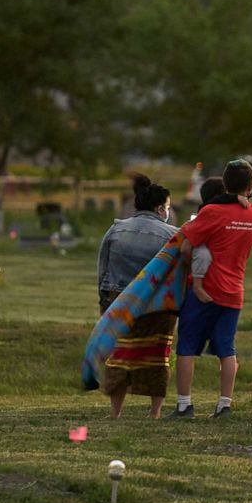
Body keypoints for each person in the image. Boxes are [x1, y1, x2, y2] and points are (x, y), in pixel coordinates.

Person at [168, 160, 252, 419]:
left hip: (204, 290)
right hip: (234, 292)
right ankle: (224, 405)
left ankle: (185, 405)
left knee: (187, 347)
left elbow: (185, 245)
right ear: (250, 186)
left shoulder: (212, 213)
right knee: (226, 349)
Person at [96, 174, 178, 419]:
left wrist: (103, 303)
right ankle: (155, 412)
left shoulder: (116, 228)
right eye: (168, 206)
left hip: (118, 300)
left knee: (120, 355)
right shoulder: (172, 234)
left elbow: (103, 267)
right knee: (157, 356)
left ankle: (115, 411)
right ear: (160, 207)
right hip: (156, 306)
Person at [191, 177, 249, 303]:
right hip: (200, 248)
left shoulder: (212, 209)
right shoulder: (209, 208)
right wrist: (234, 198)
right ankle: (197, 285)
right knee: (203, 255)